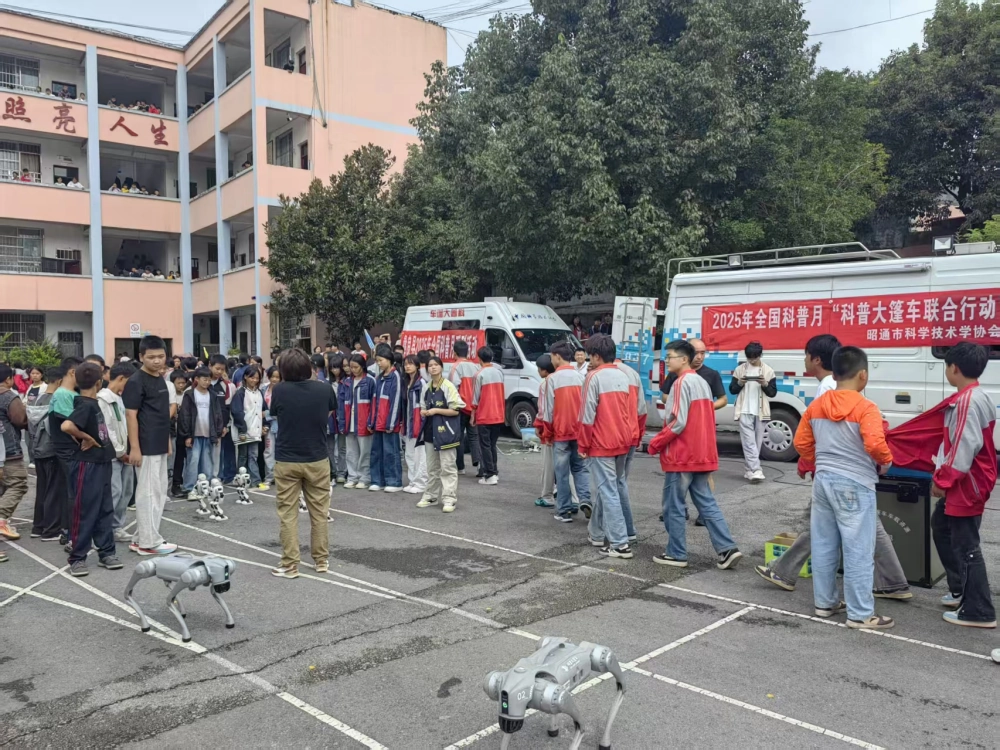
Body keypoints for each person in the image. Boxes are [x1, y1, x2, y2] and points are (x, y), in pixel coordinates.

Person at [793, 346, 895, 630]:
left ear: (835, 374)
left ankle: (825, 603)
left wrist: (818, 461)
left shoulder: (816, 406)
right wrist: (886, 462)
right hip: (855, 483)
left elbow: (801, 443)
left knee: (824, 544)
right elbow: (875, 444)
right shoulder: (866, 408)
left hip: (823, 481)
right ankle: (860, 614)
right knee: (858, 549)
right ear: (863, 375)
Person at [650, 339, 742, 570]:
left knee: (674, 506)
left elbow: (678, 421)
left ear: (683, 359)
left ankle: (676, 553)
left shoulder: (681, 383)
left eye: (670, 356)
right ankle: (727, 548)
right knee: (707, 503)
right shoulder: (701, 382)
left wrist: (656, 442)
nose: (666, 361)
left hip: (681, 454)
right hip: (701, 452)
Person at [929, 343, 996, 629]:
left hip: (967, 484)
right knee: (942, 526)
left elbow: (963, 448)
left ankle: (978, 610)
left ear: (953, 368)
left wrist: (943, 481)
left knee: (966, 544)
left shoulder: (967, 401)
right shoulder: (977, 396)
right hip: (970, 480)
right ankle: (960, 589)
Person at [268, 349, 337, 579]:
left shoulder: (280, 390)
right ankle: (321, 560)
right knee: (320, 512)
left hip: (287, 458)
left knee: (288, 514)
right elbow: (329, 412)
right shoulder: (324, 389)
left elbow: (275, 414)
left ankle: (290, 563)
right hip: (317, 456)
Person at [577, 335, 638, 559]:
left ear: (596, 356)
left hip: (602, 442)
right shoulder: (624, 376)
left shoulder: (593, 377)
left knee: (608, 491)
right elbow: (631, 411)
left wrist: (583, 445)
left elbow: (586, 416)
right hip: (623, 441)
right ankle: (604, 533)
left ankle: (619, 543)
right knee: (610, 489)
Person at [60, 362, 122, 577]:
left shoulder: (92, 403)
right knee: (85, 511)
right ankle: (78, 557)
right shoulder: (85, 405)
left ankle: (107, 552)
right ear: (99, 382)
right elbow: (67, 426)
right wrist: (86, 437)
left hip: (101, 461)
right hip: (87, 465)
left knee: (105, 509)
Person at [122, 335, 177, 556]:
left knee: (158, 491)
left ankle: (140, 538)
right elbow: (130, 415)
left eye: (161, 356)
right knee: (148, 494)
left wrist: (166, 440)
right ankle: (148, 542)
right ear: (141, 356)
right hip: (145, 446)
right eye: (151, 357)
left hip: (159, 442)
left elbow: (161, 415)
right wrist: (135, 447)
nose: (156, 361)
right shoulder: (136, 381)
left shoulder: (160, 379)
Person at [545, 342, 589, 522]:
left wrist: (547, 434)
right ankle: (586, 500)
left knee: (562, 472)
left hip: (561, 431)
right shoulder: (581, 377)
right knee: (580, 468)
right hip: (579, 431)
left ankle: (564, 510)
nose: (551, 360)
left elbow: (548, 411)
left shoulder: (552, 379)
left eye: (551, 357)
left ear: (557, 356)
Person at [418, 356, 465, 512]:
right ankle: (430, 496)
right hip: (430, 432)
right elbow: (422, 407)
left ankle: (449, 499)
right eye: (430, 365)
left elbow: (456, 410)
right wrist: (424, 412)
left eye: (436, 365)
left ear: (441, 367)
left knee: (448, 467)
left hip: (446, 433)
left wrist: (436, 411)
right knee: (432, 467)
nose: (433, 367)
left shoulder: (448, 386)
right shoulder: (426, 387)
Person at [728, 341, 777, 483]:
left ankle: (749, 470)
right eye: (749, 358)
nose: (751, 361)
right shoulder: (740, 369)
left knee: (757, 443)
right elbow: (732, 390)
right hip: (744, 409)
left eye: (754, 358)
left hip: (761, 411)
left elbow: (772, 393)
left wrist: (764, 384)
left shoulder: (768, 371)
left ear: (760, 355)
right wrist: (740, 383)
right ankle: (756, 470)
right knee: (748, 442)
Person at [98, 362, 135, 543]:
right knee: (114, 492)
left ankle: (116, 526)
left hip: (126, 453)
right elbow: (107, 429)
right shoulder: (103, 399)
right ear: (121, 378)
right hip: (113, 455)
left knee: (126, 491)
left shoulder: (120, 398)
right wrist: (120, 452)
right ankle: (105, 529)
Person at [27, 367, 65, 541]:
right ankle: (51, 530)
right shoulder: (55, 400)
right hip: (51, 449)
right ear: (60, 381)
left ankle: (38, 526)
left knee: (42, 489)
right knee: (53, 491)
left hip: (37, 449)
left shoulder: (37, 399)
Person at [48, 357, 81, 546]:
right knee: (73, 491)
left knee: (72, 490)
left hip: (72, 450)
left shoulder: (73, 393)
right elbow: (70, 425)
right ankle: (70, 533)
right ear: (72, 372)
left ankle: (69, 530)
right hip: (67, 449)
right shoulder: (62, 394)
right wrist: (87, 437)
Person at [178, 367, 222, 497]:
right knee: (193, 461)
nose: (207, 382)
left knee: (207, 461)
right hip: (194, 434)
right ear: (197, 379)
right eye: (204, 379)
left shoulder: (212, 395)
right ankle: (189, 487)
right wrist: (187, 435)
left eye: (209, 380)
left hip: (209, 433)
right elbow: (184, 415)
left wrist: (217, 432)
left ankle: (205, 486)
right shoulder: (190, 394)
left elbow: (217, 414)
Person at [368, 344, 404, 492]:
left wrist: (391, 423)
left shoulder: (395, 376)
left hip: (389, 423)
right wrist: (371, 421)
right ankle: (377, 480)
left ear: (389, 360)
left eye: (381, 360)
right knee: (376, 452)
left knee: (391, 453)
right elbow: (374, 401)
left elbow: (396, 401)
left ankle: (394, 482)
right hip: (378, 422)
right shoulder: (379, 378)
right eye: (377, 360)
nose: (378, 363)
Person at [0, 364, 28, 540]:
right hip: (9, 451)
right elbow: (21, 420)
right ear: (9, 379)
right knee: (18, 484)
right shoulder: (9, 397)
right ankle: (1, 518)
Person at [231, 365, 267, 489]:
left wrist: (265, 425)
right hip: (244, 430)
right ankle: (241, 480)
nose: (254, 380)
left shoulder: (259, 392)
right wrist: (242, 430)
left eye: (257, 378)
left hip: (255, 430)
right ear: (246, 377)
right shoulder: (240, 393)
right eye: (252, 377)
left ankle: (255, 481)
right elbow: (237, 412)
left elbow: (264, 410)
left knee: (253, 456)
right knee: (243, 456)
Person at [473, 346, 505, 485]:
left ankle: (489, 474)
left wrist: (473, 415)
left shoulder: (479, 374)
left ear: (479, 358)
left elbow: (475, 399)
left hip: (484, 415)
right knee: (492, 445)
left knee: (485, 445)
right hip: (498, 414)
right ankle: (494, 472)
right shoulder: (499, 373)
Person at [343, 354, 376, 489]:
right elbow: (342, 403)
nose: (353, 370)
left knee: (364, 452)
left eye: (356, 367)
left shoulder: (370, 381)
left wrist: (371, 421)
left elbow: (374, 404)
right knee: (351, 453)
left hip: (363, 422)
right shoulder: (347, 382)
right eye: (351, 367)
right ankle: (352, 477)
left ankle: (364, 477)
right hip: (349, 421)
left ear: (362, 366)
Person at [449, 340, 481, 476]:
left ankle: (460, 467)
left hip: (460, 408)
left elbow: (453, 387)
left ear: (454, 353)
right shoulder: (476, 367)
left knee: (459, 437)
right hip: (473, 408)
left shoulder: (455, 367)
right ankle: (478, 464)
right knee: (474, 436)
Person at [401, 355, 428, 495]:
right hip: (409, 423)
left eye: (410, 364)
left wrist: (423, 423)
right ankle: (413, 481)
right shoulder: (407, 382)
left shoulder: (421, 383)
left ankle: (421, 482)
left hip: (418, 423)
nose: (407, 366)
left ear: (417, 366)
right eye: (405, 364)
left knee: (420, 455)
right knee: (410, 454)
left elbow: (425, 404)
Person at [533, 354, 556, 509]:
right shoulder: (564, 379)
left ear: (544, 370)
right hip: (566, 429)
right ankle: (573, 498)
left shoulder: (545, 384)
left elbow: (543, 410)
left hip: (548, 429)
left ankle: (547, 496)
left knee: (548, 465)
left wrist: (538, 426)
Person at [208, 354, 235, 483]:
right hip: (203, 425)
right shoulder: (201, 382)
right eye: (217, 368)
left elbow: (227, 408)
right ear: (210, 366)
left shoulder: (226, 386)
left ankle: (216, 477)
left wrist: (224, 425)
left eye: (222, 369)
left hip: (220, 426)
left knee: (217, 453)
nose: (219, 372)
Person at [326, 353, 348, 483]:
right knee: (329, 447)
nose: (334, 370)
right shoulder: (328, 383)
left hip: (342, 416)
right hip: (330, 416)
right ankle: (332, 472)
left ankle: (341, 472)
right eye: (332, 368)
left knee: (342, 447)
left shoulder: (346, 382)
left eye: (337, 367)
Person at [168, 370, 189, 497]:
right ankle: (169, 486)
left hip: (182, 432)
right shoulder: (169, 396)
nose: (181, 385)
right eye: (178, 383)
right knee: (171, 461)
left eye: (183, 383)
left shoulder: (187, 395)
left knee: (180, 460)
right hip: (171, 432)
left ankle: (177, 484)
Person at [262, 366, 281, 485]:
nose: (275, 379)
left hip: (281, 425)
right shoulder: (264, 389)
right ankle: (269, 476)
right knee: (269, 451)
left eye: (277, 377)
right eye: (273, 376)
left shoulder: (284, 391)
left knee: (280, 451)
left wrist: (267, 414)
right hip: (267, 426)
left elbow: (281, 411)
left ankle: (281, 476)